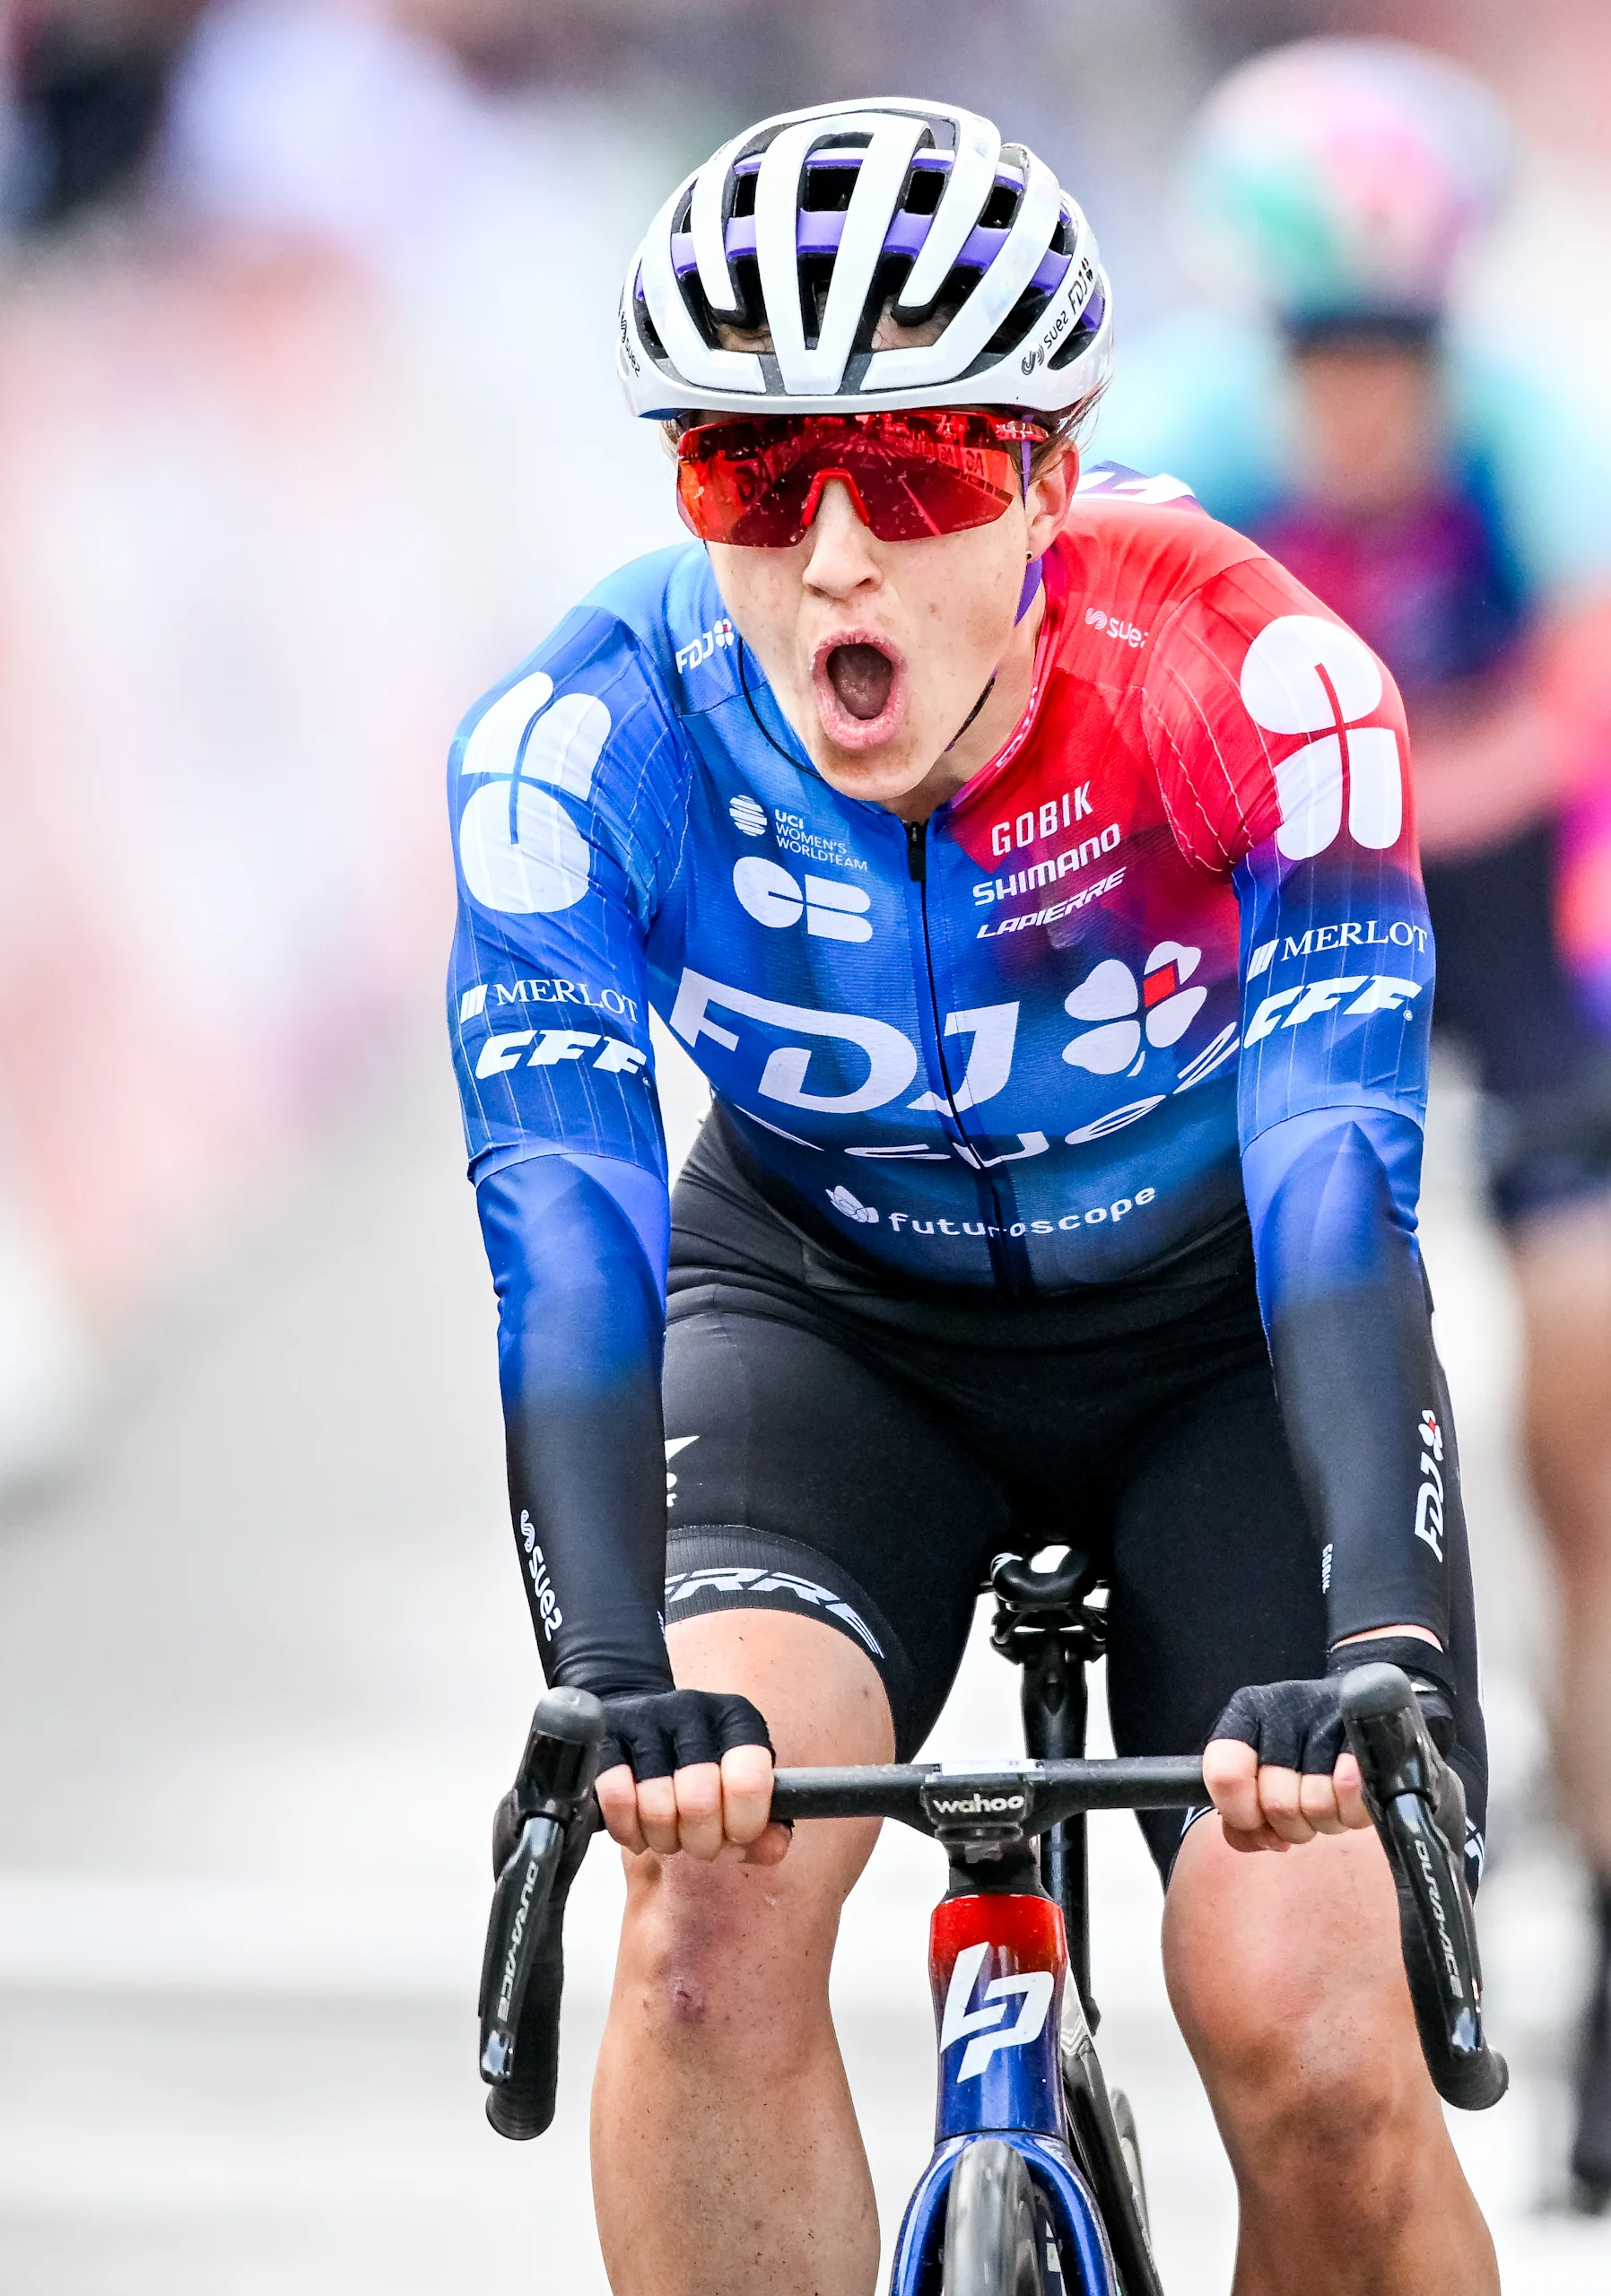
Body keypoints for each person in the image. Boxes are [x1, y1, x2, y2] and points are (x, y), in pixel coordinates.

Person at [450, 98, 1494, 2293]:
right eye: (751, 474)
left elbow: (1336, 1183)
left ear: (1040, 477)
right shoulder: (588, 735)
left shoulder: (1252, 683)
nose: (831, 558)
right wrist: (608, 1666)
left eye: (911, 475)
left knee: (1309, 2026)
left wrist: (1381, 1635)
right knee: (706, 1929)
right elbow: (566, 1213)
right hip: (832, 1330)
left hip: (1227, 1346)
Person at [1093, 37, 1611, 2210]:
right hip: (1269, 896)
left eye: (1404, 346)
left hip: (1514, 912)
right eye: (1322, 347)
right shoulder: (1165, 447)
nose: (1362, 394)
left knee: (1578, 1409)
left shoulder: (1545, 457)